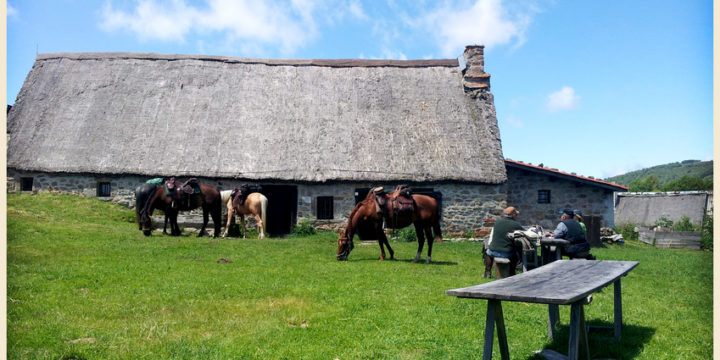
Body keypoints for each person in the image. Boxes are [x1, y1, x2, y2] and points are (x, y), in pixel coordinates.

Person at [484, 206, 525, 277]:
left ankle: (487, 272)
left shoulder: (497, 222)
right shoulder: (515, 225)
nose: (517, 216)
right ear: (513, 215)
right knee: (516, 254)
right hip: (506, 253)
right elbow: (525, 233)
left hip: (493, 251)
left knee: (488, 252)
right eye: (516, 215)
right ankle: (512, 272)